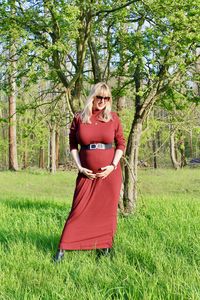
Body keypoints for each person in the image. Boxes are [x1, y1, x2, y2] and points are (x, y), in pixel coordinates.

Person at [53, 82, 126, 262]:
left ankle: (104, 248)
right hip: (86, 174)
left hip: (109, 175)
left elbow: (121, 144)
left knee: (106, 212)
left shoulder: (113, 118)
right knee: (78, 210)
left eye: (106, 98)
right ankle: (63, 248)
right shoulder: (79, 118)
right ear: (92, 96)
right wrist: (79, 167)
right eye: (99, 96)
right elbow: (72, 144)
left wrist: (112, 166)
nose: (102, 101)